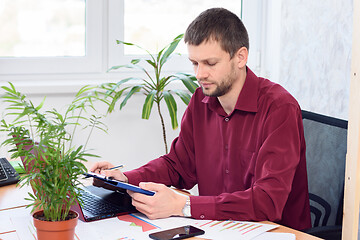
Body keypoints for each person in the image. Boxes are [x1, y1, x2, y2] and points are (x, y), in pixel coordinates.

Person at [90, 7, 311, 230]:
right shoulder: (200, 101)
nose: (199, 74)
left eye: (210, 63)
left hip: (275, 232)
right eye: (195, 63)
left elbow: (267, 201)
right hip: (220, 228)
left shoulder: (279, 108)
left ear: (240, 57)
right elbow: (177, 166)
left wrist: (185, 205)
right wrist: (125, 179)